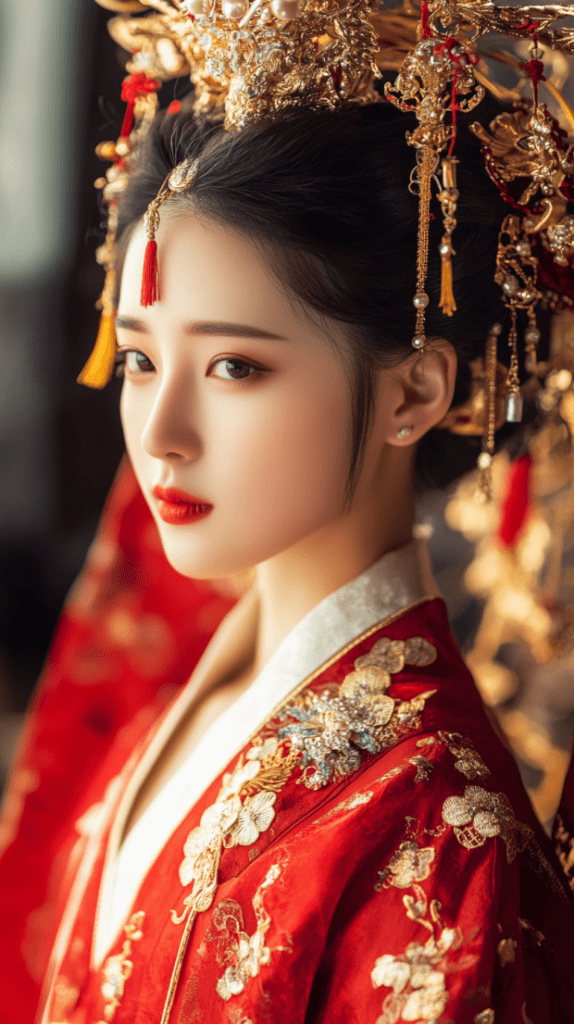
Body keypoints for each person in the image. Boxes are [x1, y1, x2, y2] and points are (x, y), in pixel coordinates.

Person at [3, 4, 574, 1023]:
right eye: (140, 359)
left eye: (234, 365)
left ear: (412, 392)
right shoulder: (196, 688)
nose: (161, 432)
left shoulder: (440, 840)